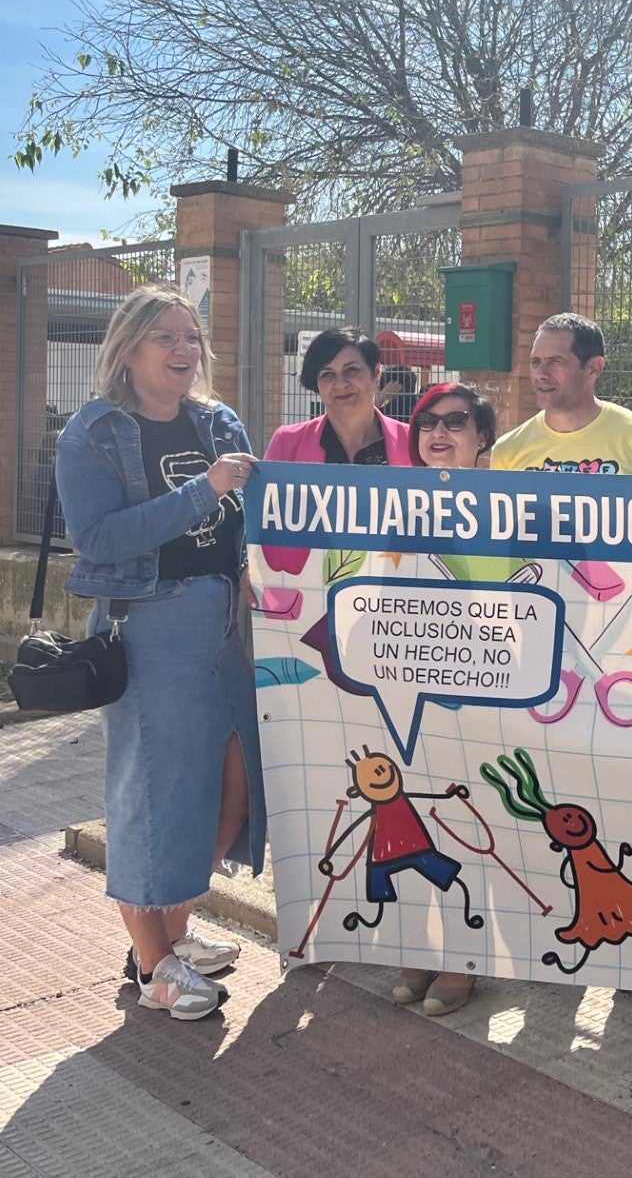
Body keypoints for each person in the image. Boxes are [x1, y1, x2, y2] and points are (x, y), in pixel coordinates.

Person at [54, 285, 264, 1020]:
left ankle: (169, 930)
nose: (183, 351)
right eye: (164, 337)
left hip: (227, 624)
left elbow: (248, 522)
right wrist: (202, 492)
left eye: (191, 337)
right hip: (150, 626)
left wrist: (248, 564)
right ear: (129, 347)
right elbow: (100, 538)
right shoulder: (94, 431)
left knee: (227, 794)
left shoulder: (218, 421)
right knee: (154, 792)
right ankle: (156, 966)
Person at [380, 381, 499, 1018]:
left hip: (477, 693)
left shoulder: (509, 505)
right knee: (411, 819)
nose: (439, 433)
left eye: (457, 421)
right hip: (406, 690)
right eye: (427, 422)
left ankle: (465, 957)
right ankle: (419, 945)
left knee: (467, 820)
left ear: (483, 439)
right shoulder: (388, 503)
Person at [490, 313, 632, 475]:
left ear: (594, 368)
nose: (541, 373)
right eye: (535, 362)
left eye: (555, 361)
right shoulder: (508, 450)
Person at [265, 328, 410, 466]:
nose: (340, 384)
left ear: (377, 372)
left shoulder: (414, 443)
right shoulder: (287, 442)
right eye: (327, 374)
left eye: (351, 370)